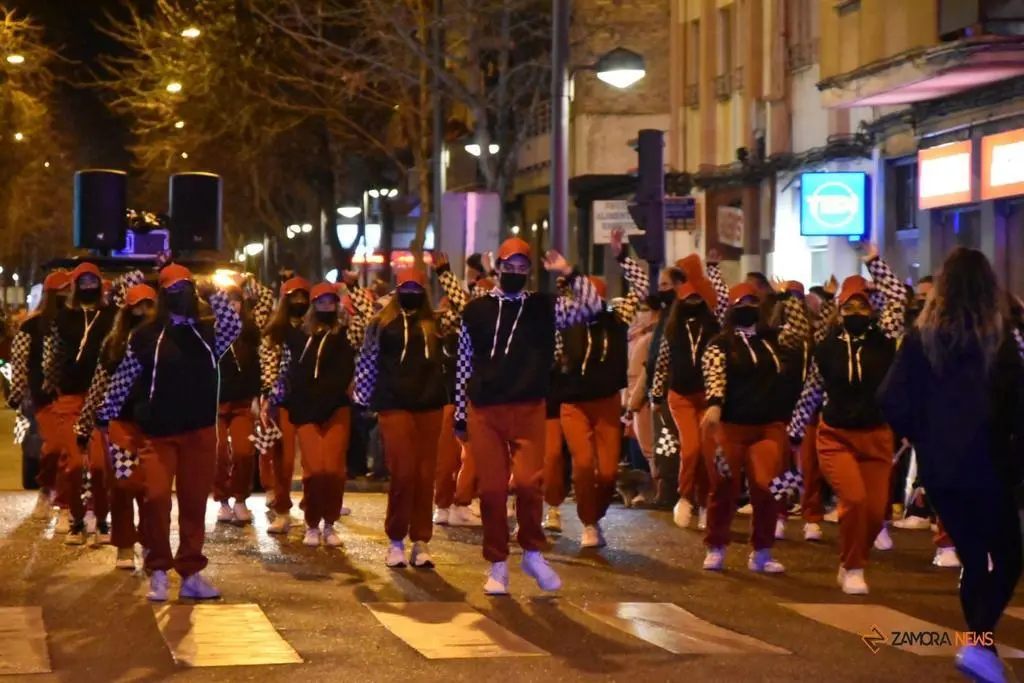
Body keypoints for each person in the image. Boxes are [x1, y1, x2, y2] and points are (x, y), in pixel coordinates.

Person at [880, 247, 1024, 683]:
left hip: (940, 468)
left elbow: (890, 398)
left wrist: (919, 432)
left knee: (973, 558)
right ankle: (978, 643)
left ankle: (980, 647)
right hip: (991, 464)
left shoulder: (920, 340)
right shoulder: (1001, 339)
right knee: (1009, 556)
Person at [453, 237, 600, 594]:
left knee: (531, 483)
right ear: (498, 267)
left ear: (530, 272)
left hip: (529, 407)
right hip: (485, 410)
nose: (516, 272)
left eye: (523, 268)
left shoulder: (545, 307)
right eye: (510, 266)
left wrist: (569, 272)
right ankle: (498, 564)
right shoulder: (475, 311)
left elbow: (593, 308)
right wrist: (460, 414)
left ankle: (532, 552)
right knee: (490, 491)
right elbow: (463, 364)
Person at [96, 264, 241, 601]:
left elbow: (234, 324)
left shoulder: (208, 333)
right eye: (173, 289)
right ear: (162, 295)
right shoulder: (146, 335)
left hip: (200, 432)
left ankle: (191, 573)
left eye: (185, 288)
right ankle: (158, 569)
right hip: (158, 434)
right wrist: (105, 417)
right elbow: (124, 378)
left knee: (193, 505)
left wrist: (210, 289)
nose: (181, 295)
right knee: (156, 498)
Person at [786, 246, 905, 594]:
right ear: (839, 310)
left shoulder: (885, 338)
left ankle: (851, 560)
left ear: (872, 309)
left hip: (877, 435)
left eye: (862, 305)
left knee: (873, 513)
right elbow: (811, 390)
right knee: (853, 500)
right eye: (848, 305)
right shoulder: (827, 347)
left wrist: (874, 261)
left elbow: (896, 296)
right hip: (836, 435)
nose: (856, 310)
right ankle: (853, 567)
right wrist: (794, 432)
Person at [699, 278, 809, 573]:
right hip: (729, 426)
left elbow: (800, 331)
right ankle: (716, 545)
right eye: (742, 304)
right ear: (732, 310)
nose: (748, 308)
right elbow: (715, 376)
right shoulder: (719, 343)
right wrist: (714, 404)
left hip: (768, 426)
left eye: (753, 303)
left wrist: (788, 297)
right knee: (724, 486)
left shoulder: (772, 339)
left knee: (769, 487)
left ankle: (762, 551)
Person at [355, 268, 455, 567]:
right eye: (405, 287)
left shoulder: (436, 323)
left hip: (430, 406)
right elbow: (368, 358)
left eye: (416, 287)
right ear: (398, 289)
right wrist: (362, 398)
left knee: (426, 476)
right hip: (393, 404)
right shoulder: (381, 323)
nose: (411, 292)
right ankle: (396, 539)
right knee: (403, 472)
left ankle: (421, 540)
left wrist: (445, 275)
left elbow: (465, 309)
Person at [558, 228, 648, 547]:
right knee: (583, 466)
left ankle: (595, 517)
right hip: (574, 404)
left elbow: (642, 287)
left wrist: (622, 256)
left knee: (608, 473)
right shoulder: (567, 320)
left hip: (608, 402)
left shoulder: (617, 318)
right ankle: (588, 523)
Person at [45, 263, 144, 544]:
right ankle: (76, 519)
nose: (88, 285)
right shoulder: (64, 317)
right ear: (75, 285)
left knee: (101, 466)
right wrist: (49, 385)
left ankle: (101, 520)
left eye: (93, 280)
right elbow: (53, 354)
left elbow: (134, 280)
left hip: (101, 396)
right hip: (69, 399)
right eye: (83, 280)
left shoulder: (112, 314)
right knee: (75, 465)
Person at [266, 282, 366, 547]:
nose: (326, 306)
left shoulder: (347, 333)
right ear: (313, 305)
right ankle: (312, 523)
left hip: (336, 409)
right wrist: (271, 400)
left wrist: (352, 290)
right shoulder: (298, 335)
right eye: (320, 302)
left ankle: (330, 523)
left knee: (333, 471)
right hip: (306, 410)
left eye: (330, 302)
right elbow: (284, 365)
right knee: (314, 471)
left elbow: (366, 319)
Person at [76, 284, 157, 569]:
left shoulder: (164, 341)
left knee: (152, 489)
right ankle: (124, 543)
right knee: (124, 484)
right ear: (127, 310)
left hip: (154, 425)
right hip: (121, 422)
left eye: (149, 305)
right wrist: (84, 426)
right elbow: (98, 385)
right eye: (137, 306)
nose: (143, 312)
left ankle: (150, 542)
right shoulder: (114, 344)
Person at [651, 251, 726, 530]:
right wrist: (656, 396)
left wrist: (713, 269)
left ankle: (706, 502)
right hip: (680, 397)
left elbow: (722, 297)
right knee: (691, 450)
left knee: (709, 451)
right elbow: (662, 363)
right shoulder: (673, 328)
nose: (692, 302)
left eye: (697, 298)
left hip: (707, 396)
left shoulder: (715, 326)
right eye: (687, 298)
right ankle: (684, 497)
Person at [9, 271, 71, 522]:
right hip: (42, 398)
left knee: (70, 451)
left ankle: (66, 503)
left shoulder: (78, 323)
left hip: (73, 395)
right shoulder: (30, 326)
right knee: (54, 447)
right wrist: (17, 394)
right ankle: (47, 487)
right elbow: (20, 360)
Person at [213, 278, 270, 525]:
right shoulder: (210, 330)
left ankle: (239, 499)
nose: (233, 306)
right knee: (218, 452)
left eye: (236, 301)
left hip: (243, 401)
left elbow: (266, 297)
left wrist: (246, 280)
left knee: (244, 452)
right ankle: (222, 501)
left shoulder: (250, 329)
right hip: (214, 403)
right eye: (228, 302)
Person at [259, 277, 312, 531]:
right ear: (285, 300)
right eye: (294, 297)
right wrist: (268, 396)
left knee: (314, 460)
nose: (299, 302)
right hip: (284, 400)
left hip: (314, 399)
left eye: (303, 297)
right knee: (284, 458)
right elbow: (269, 365)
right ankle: (282, 509)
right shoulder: (275, 330)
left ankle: (313, 507)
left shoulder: (315, 328)